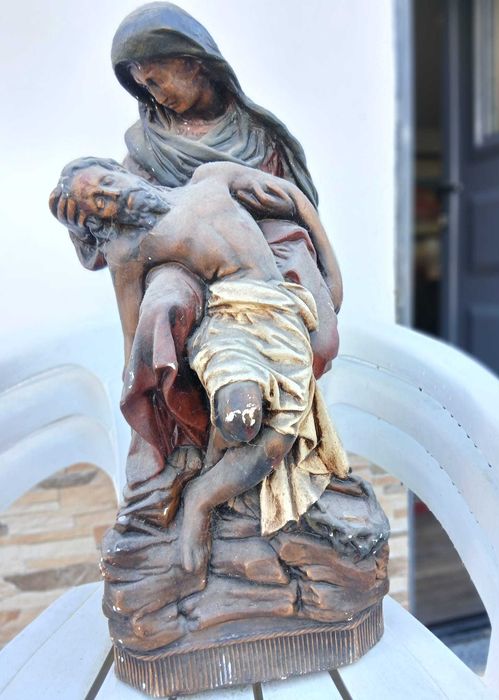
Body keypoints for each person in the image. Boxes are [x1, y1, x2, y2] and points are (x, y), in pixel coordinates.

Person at [50, 157, 348, 572]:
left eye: (106, 180)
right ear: (99, 222)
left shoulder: (211, 177)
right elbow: (132, 334)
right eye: (99, 202)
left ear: (119, 171)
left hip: (282, 313)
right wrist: (137, 396)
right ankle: (200, 505)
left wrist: (332, 278)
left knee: (276, 443)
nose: (113, 195)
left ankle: (205, 492)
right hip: (229, 321)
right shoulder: (128, 250)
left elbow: (296, 200)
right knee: (240, 420)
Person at [110, 1, 342, 312]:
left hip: (265, 256)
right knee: (164, 301)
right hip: (184, 265)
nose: (155, 96)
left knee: (297, 272)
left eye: (155, 80)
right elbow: (126, 226)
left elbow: (299, 211)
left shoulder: (260, 136)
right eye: (143, 87)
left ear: (191, 63)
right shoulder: (147, 145)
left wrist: (249, 201)